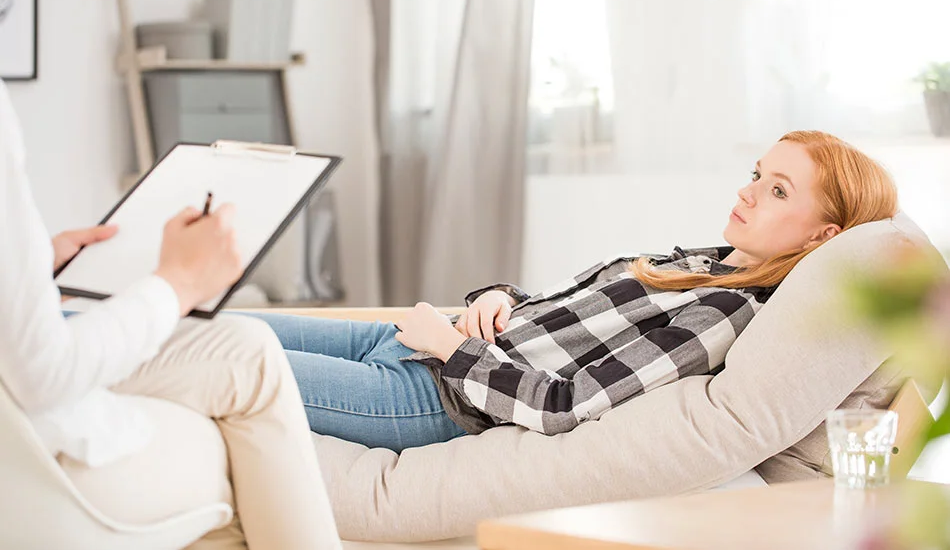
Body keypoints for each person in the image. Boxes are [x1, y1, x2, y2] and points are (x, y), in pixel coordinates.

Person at [240, 130, 898, 452]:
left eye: (778, 189)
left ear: (821, 237)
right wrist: (501, 297)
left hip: (432, 394)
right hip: (429, 342)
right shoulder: (707, 262)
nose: (746, 190)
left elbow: (567, 402)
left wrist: (449, 348)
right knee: (217, 326)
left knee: (224, 362)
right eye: (757, 173)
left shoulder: (726, 312)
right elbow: (566, 319)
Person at [0, 81, 341, 550]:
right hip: (25, 446)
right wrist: (178, 283)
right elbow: (42, 375)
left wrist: (30, 273)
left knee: (251, 344)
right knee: (252, 365)